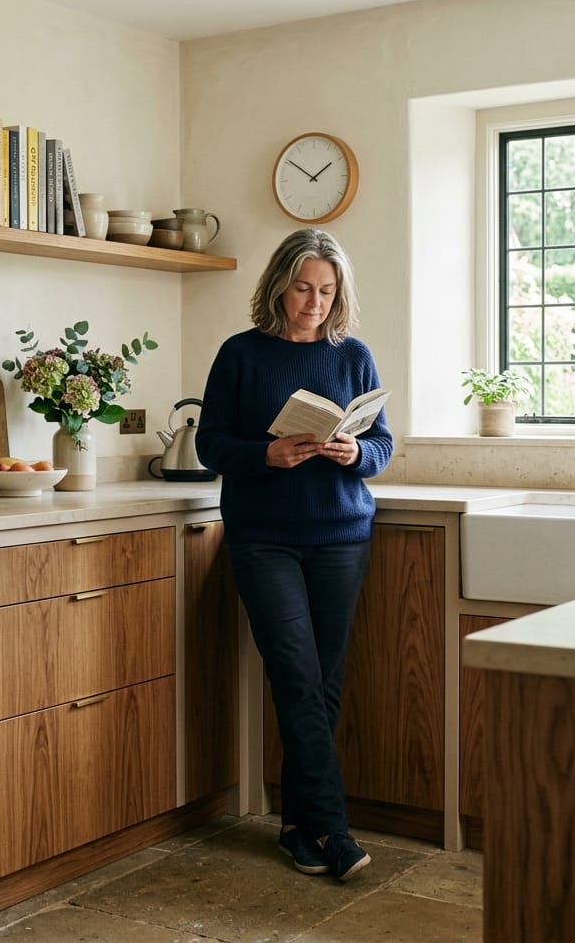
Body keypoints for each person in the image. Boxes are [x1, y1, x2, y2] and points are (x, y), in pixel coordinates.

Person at [195, 228, 393, 882]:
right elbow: (211, 444)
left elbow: (384, 443)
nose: (314, 302)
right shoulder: (241, 355)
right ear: (279, 284)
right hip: (264, 538)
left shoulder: (353, 354)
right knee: (297, 676)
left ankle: (295, 826)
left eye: (327, 291)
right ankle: (333, 829)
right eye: (304, 287)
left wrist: (355, 453)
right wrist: (266, 454)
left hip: (341, 535)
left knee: (322, 683)